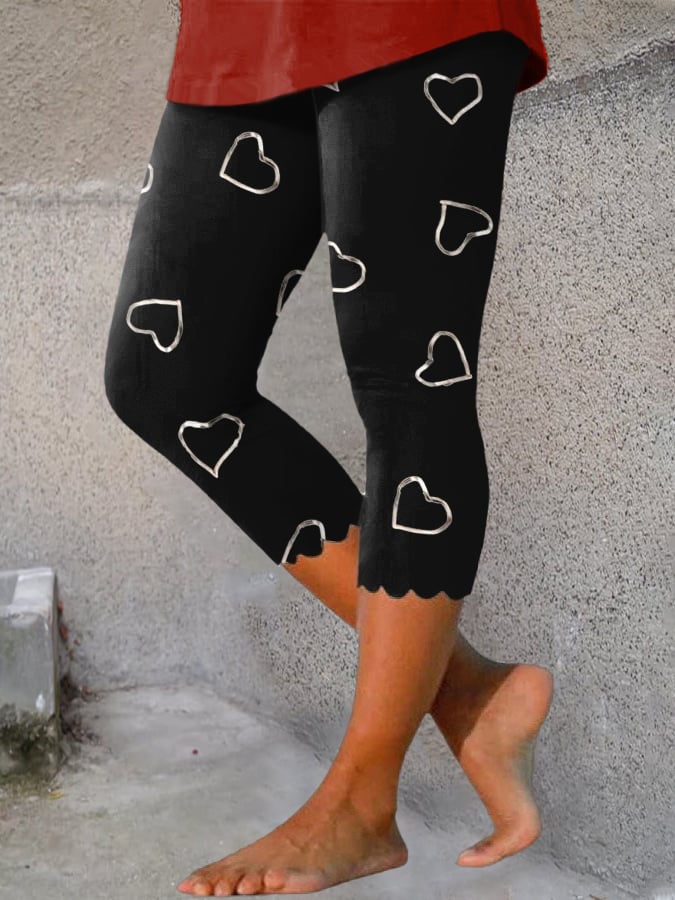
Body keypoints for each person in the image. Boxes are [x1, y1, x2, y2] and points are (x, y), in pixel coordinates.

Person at [104, 2, 555, 895]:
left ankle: (360, 803)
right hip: (242, 22)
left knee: (408, 382)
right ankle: (464, 688)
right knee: (166, 381)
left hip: (410, 18)